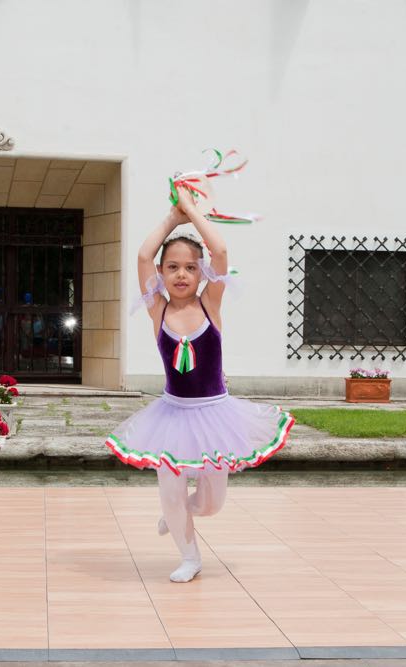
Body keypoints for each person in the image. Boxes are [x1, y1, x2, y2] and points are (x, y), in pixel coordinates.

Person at [105, 186, 294, 583]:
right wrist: (172, 219)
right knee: (170, 492)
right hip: (172, 417)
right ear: (161, 274)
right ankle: (189, 555)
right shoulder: (157, 309)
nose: (181, 274)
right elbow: (142, 255)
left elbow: (221, 251)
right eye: (172, 267)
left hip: (216, 416)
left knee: (210, 504)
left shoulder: (210, 304)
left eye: (190, 267)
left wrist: (191, 210)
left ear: (201, 272)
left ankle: (180, 514)